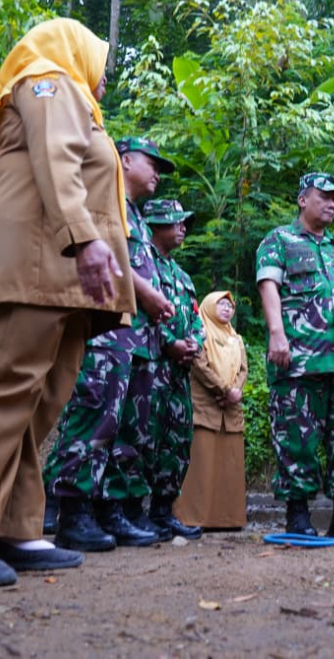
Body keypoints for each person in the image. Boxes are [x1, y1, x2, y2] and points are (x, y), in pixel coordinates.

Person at [0, 18, 137, 587]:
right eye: (101, 68)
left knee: (36, 406)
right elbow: (56, 157)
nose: (102, 84)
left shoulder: (70, 95)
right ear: (74, 53)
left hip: (63, 273)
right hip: (31, 259)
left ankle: (16, 527)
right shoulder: (48, 81)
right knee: (4, 394)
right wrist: (87, 237)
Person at [42, 136, 177, 552]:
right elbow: (107, 260)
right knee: (92, 414)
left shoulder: (135, 215)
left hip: (135, 336)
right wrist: (148, 295)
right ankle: (71, 511)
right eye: (151, 162)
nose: (157, 172)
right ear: (124, 159)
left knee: (123, 426)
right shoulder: (102, 196)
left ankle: (108, 509)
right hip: (104, 328)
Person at [256, 172, 334, 538]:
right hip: (297, 359)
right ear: (302, 199)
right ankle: (298, 517)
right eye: (323, 196)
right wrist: (277, 334)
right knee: (297, 439)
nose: (331, 203)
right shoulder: (279, 240)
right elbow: (268, 285)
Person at [144, 199, 205, 540]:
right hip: (150, 366)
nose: (183, 228)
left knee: (177, 441)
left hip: (179, 373)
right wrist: (169, 342)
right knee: (143, 438)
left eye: (185, 223)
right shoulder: (143, 265)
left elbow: (196, 318)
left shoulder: (181, 275)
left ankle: (163, 511)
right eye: (176, 222)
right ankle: (129, 512)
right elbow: (140, 310)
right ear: (154, 224)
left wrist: (194, 342)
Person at [173, 291, 249, 529]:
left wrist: (235, 391)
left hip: (231, 411)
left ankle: (229, 518)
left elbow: (243, 369)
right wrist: (224, 390)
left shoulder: (236, 338)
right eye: (221, 304)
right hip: (206, 408)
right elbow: (199, 364)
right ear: (207, 307)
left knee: (230, 465)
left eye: (230, 306)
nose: (227, 309)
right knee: (202, 465)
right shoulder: (200, 334)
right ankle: (193, 518)